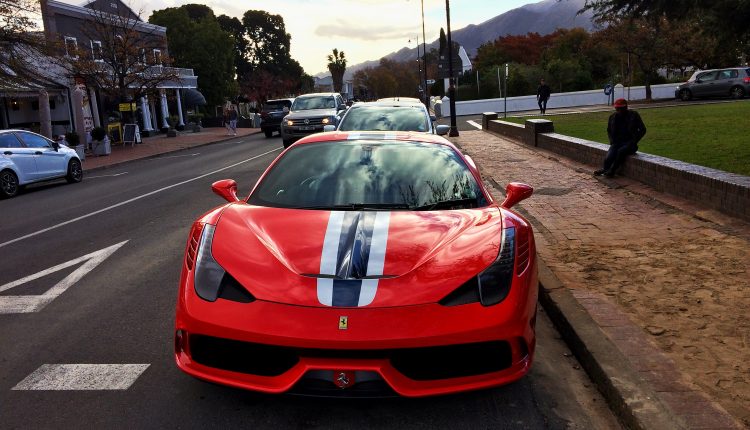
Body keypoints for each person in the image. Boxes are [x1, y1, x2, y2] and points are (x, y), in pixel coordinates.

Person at [594, 98, 646, 177]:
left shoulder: (634, 115)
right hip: (617, 142)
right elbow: (609, 130)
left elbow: (643, 129)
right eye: (617, 108)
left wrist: (634, 141)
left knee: (621, 152)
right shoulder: (613, 117)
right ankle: (605, 169)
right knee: (609, 156)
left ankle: (612, 170)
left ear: (625, 107)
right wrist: (612, 141)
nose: (618, 110)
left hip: (630, 143)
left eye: (620, 108)